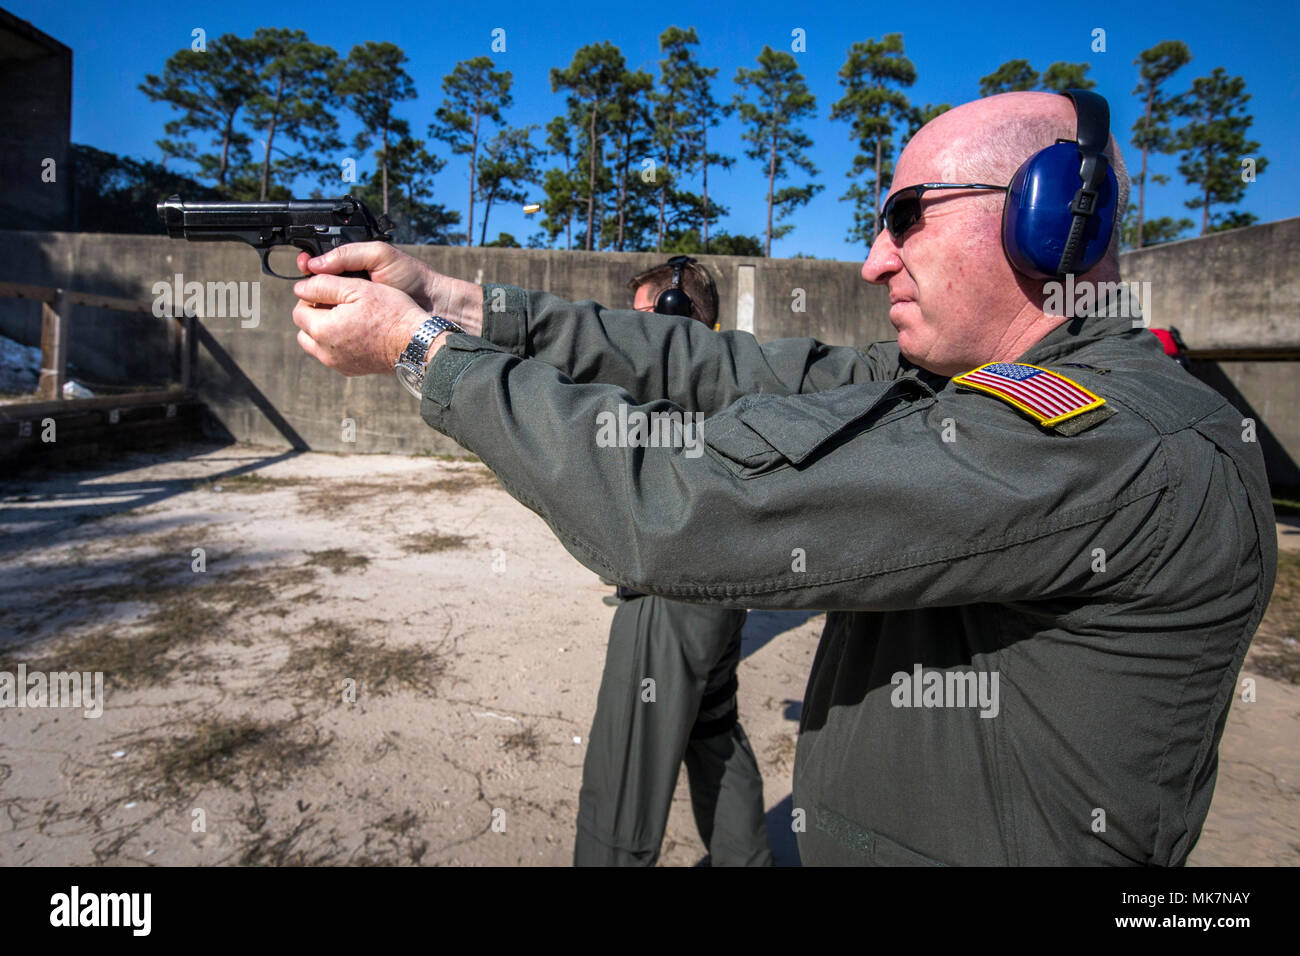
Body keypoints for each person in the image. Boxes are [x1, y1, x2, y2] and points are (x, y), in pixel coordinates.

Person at [289, 90, 1276, 866]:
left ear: (1050, 216)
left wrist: (422, 355)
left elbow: (675, 514)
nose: (871, 261)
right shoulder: (979, 390)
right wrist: (466, 306)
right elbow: (717, 366)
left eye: (905, 217)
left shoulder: (1096, 435)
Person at [575, 256, 773, 867]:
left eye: (637, 322)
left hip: (668, 597)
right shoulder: (732, 384)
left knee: (624, 785)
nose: (621, 336)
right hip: (721, 597)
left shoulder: (675, 393)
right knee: (715, 734)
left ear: (674, 319)